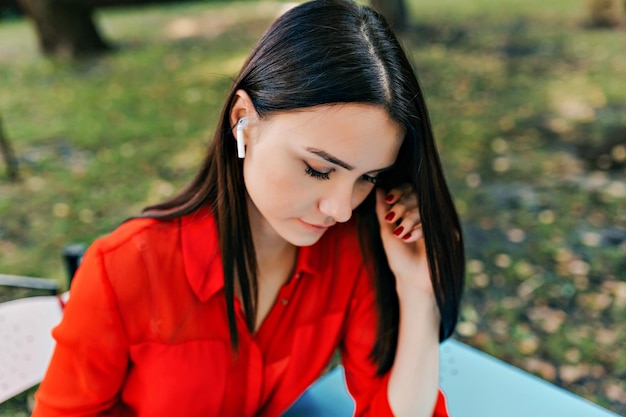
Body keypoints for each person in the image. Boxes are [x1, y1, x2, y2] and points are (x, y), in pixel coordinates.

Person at [32, 0, 465, 416]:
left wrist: (418, 291)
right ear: (244, 119)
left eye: (367, 177)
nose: (341, 209)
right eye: (317, 169)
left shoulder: (350, 250)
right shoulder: (123, 268)